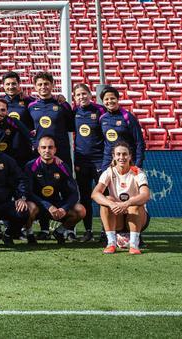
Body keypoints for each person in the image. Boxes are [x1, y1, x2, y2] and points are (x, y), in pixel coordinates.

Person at [22, 135, 85, 245]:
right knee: (29, 207)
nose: (47, 150)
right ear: (38, 150)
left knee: (80, 210)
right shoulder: (30, 166)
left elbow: (74, 193)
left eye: (50, 147)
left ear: (55, 150)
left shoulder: (62, 166)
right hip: (38, 205)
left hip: (56, 206)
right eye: (44, 147)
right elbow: (29, 193)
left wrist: (64, 209)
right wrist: (48, 206)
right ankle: (29, 234)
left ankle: (59, 232)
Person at [92, 142, 151, 255]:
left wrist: (127, 203)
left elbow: (145, 195)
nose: (121, 157)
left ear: (130, 156)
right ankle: (111, 243)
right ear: (114, 156)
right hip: (117, 215)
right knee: (106, 200)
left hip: (138, 216)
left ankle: (134, 244)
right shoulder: (109, 172)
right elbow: (95, 194)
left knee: (135, 204)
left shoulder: (137, 172)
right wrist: (111, 204)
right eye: (118, 154)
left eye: (124, 154)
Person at [72, 83, 106, 242]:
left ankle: (107, 231)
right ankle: (88, 231)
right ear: (75, 98)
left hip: (99, 161)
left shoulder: (100, 111)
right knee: (85, 197)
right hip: (81, 161)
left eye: (84, 94)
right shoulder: (74, 112)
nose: (81, 97)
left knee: (103, 197)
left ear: (90, 95)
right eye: (78, 95)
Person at [27, 72, 74, 167]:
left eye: (46, 84)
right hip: (41, 151)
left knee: (64, 179)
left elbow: (71, 127)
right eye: (40, 84)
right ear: (35, 87)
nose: (43, 87)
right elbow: (29, 129)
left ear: (52, 85)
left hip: (61, 151)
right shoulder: (31, 106)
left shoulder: (62, 105)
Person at [98, 86, 146, 172]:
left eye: (112, 98)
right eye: (106, 99)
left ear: (117, 99)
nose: (109, 101)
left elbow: (139, 142)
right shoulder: (102, 118)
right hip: (108, 161)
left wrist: (138, 164)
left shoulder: (127, 117)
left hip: (126, 160)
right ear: (103, 101)